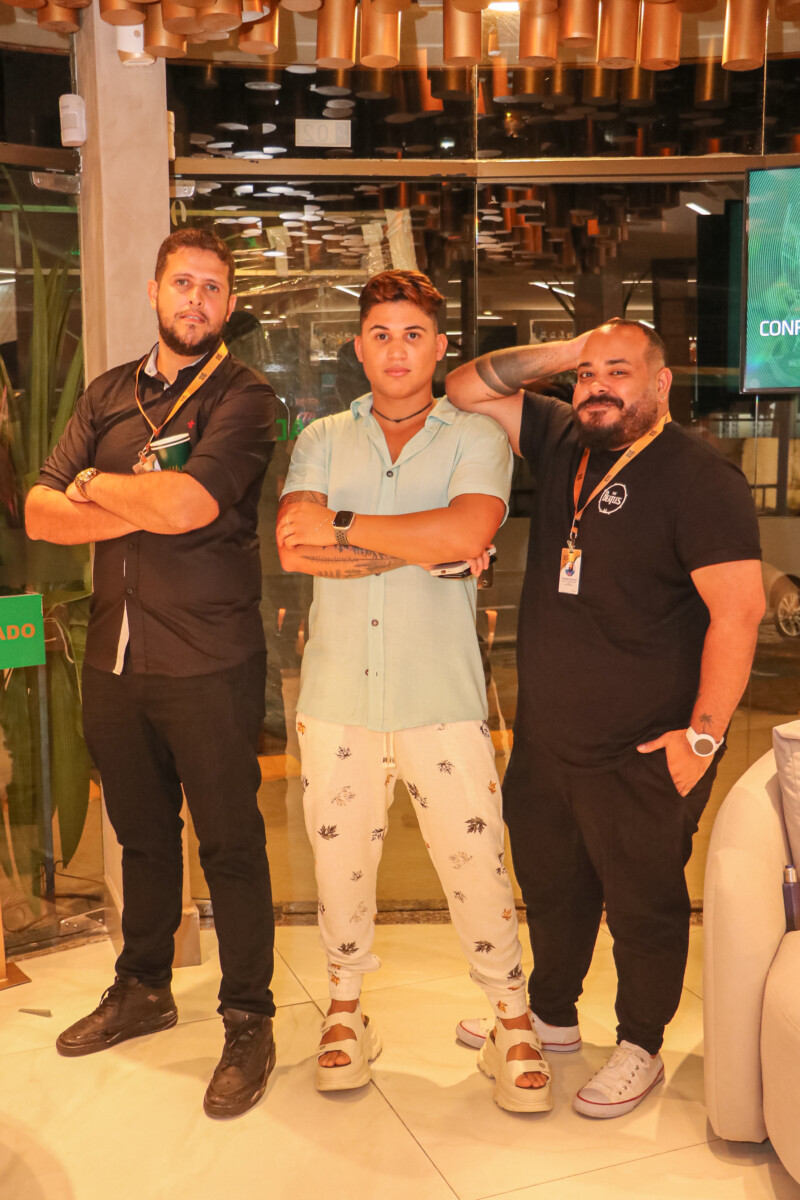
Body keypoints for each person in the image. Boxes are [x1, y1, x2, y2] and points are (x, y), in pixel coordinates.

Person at [445, 319, 764, 1118]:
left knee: (643, 905)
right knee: (554, 888)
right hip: (549, 741)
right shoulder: (562, 436)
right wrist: (570, 353)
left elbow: (740, 613)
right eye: (587, 374)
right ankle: (551, 1018)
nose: (598, 387)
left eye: (618, 371)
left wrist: (702, 737)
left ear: (661, 383)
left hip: (644, 747)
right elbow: (465, 387)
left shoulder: (701, 478)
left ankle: (640, 1045)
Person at [276, 269, 552, 1113]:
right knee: (339, 864)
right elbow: (294, 548)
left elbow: (467, 531)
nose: (397, 350)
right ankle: (345, 1010)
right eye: (381, 335)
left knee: (478, 864)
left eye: (413, 335)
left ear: (439, 348)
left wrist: (346, 528)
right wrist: (420, 545)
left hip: (442, 692)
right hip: (336, 695)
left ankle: (510, 1020)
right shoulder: (322, 438)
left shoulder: (475, 436)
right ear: (359, 348)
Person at [25, 229, 279, 1120]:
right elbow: (39, 512)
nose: (195, 300)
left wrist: (95, 487)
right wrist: (127, 498)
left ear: (229, 303)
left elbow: (188, 504)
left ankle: (248, 1018)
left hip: (209, 659)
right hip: (114, 658)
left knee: (231, 845)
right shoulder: (106, 393)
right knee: (140, 837)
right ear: (154, 290)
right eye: (183, 283)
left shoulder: (246, 398)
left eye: (212, 287)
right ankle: (143, 987)